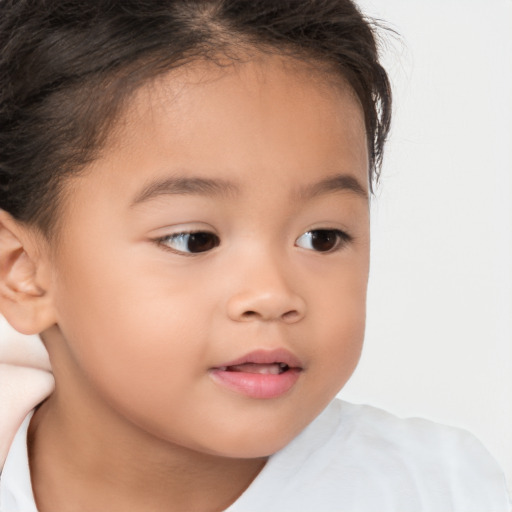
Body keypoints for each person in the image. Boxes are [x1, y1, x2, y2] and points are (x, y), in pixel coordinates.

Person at [0, 1, 509, 511]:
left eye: (322, 237)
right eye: (194, 239)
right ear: (22, 271)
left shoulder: (442, 490)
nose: (272, 294)